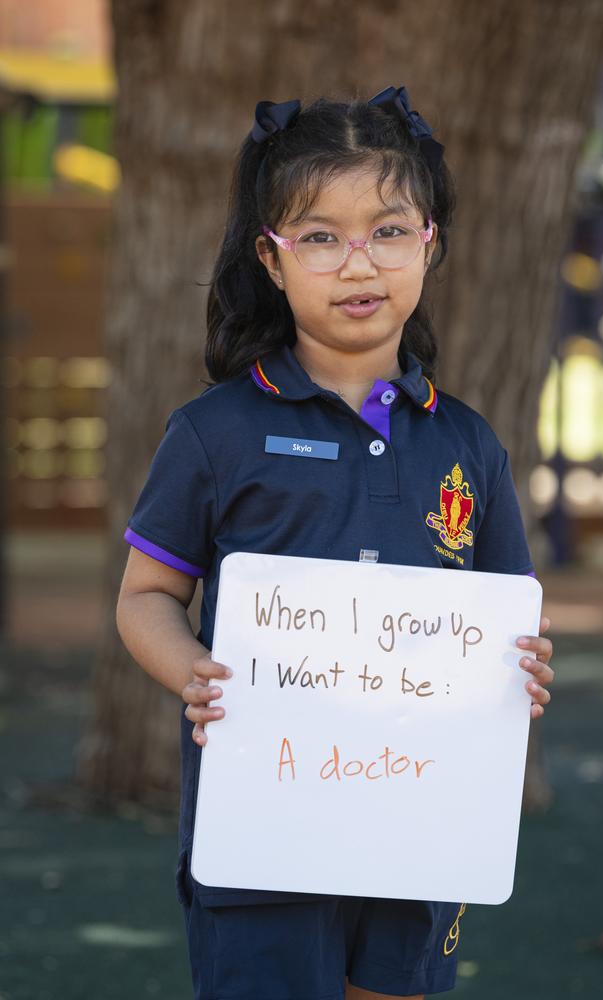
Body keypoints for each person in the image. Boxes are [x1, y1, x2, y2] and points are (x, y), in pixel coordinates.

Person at [116, 85, 555, 1000]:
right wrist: (191, 670)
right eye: (319, 235)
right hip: (262, 827)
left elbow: (506, 616)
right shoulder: (214, 433)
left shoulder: (469, 446)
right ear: (272, 261)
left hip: (419, 826)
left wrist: (525, 671)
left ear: (429, 242)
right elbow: (145, 596)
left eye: (389, 230)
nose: (359, 261)